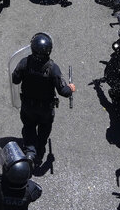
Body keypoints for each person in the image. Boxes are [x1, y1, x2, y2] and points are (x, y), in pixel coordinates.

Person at [10, 32, 74, 164]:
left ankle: (30, 152)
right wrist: (71, 88)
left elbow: (15, 80)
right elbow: (63, 91)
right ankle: (39, 151)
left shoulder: (24, 63)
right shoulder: (53, 69)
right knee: (44, 129)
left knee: (29, 127)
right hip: (45, 109)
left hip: (27, 106)